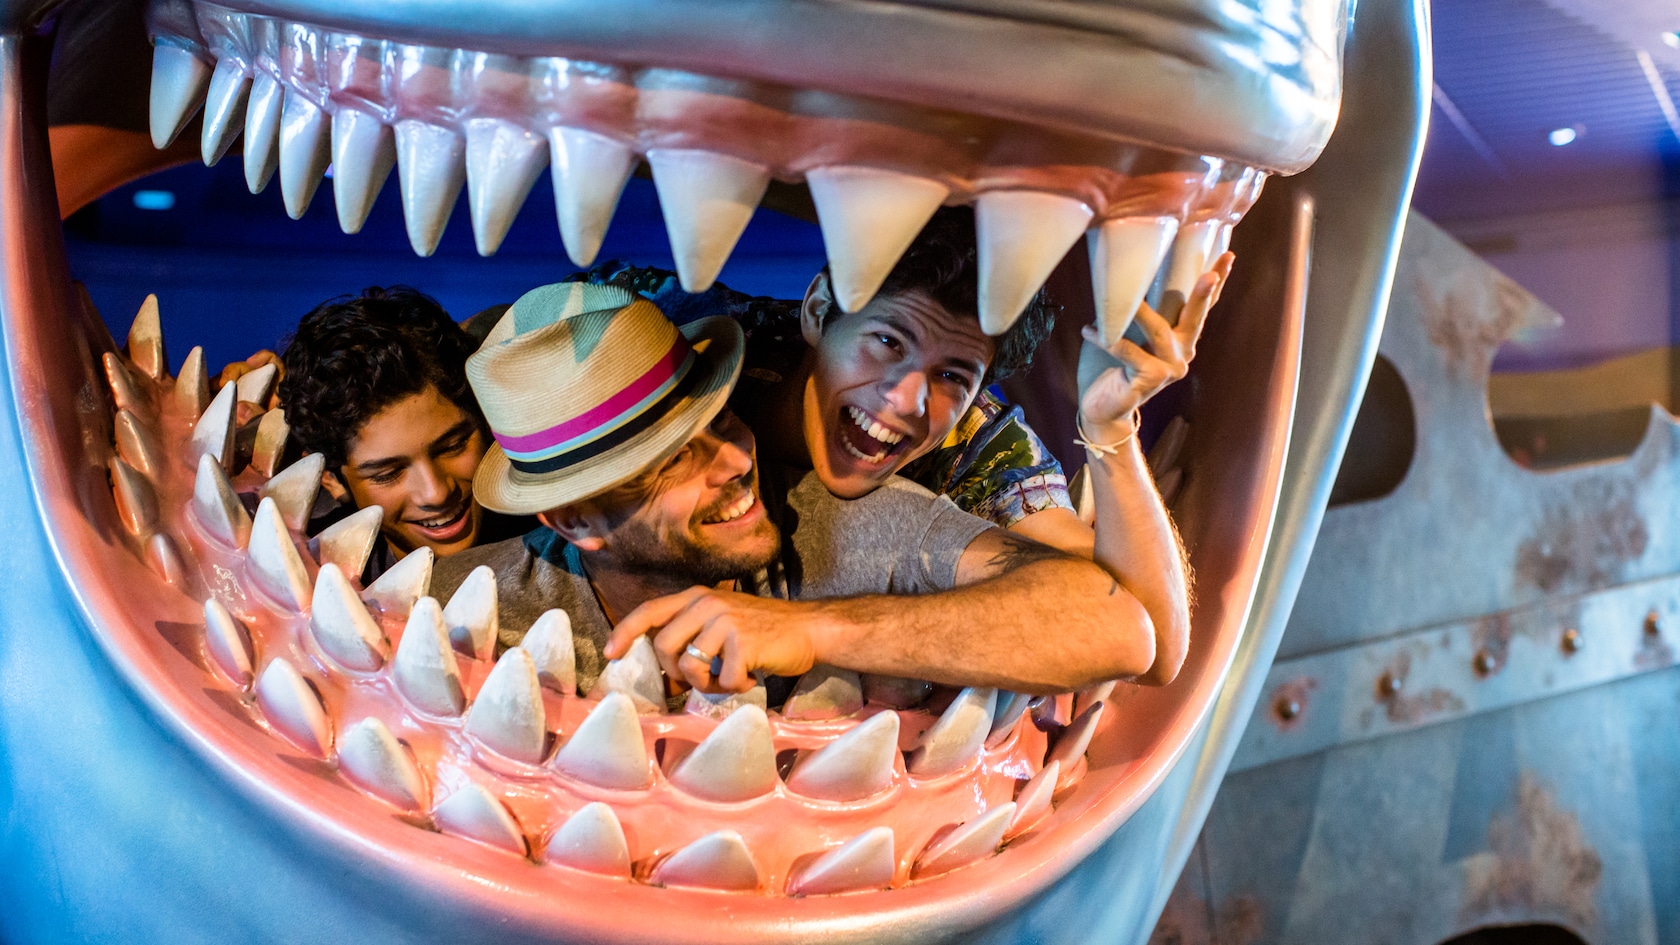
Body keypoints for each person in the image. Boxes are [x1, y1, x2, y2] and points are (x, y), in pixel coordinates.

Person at [573, 208, 1228, 684]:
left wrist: (1110, 427)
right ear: (817, 312)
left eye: (953, 376)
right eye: (888, 342)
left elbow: (1146, 639)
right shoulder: (685, 334)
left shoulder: (979, 442)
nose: (909, 399)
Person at [429, 281, 1158, 697]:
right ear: (574, 519)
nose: (735, 460)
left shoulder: (846, 521)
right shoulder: (453, 603)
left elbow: (1121, 626)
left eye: (723, 417)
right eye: (671, 462)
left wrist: (813, 629)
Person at [274, 286, 534, 576]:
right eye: (388, 474)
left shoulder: (554, 527)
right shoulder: (305, 568)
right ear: (328, 479)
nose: (436, 493)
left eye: (453, 446)